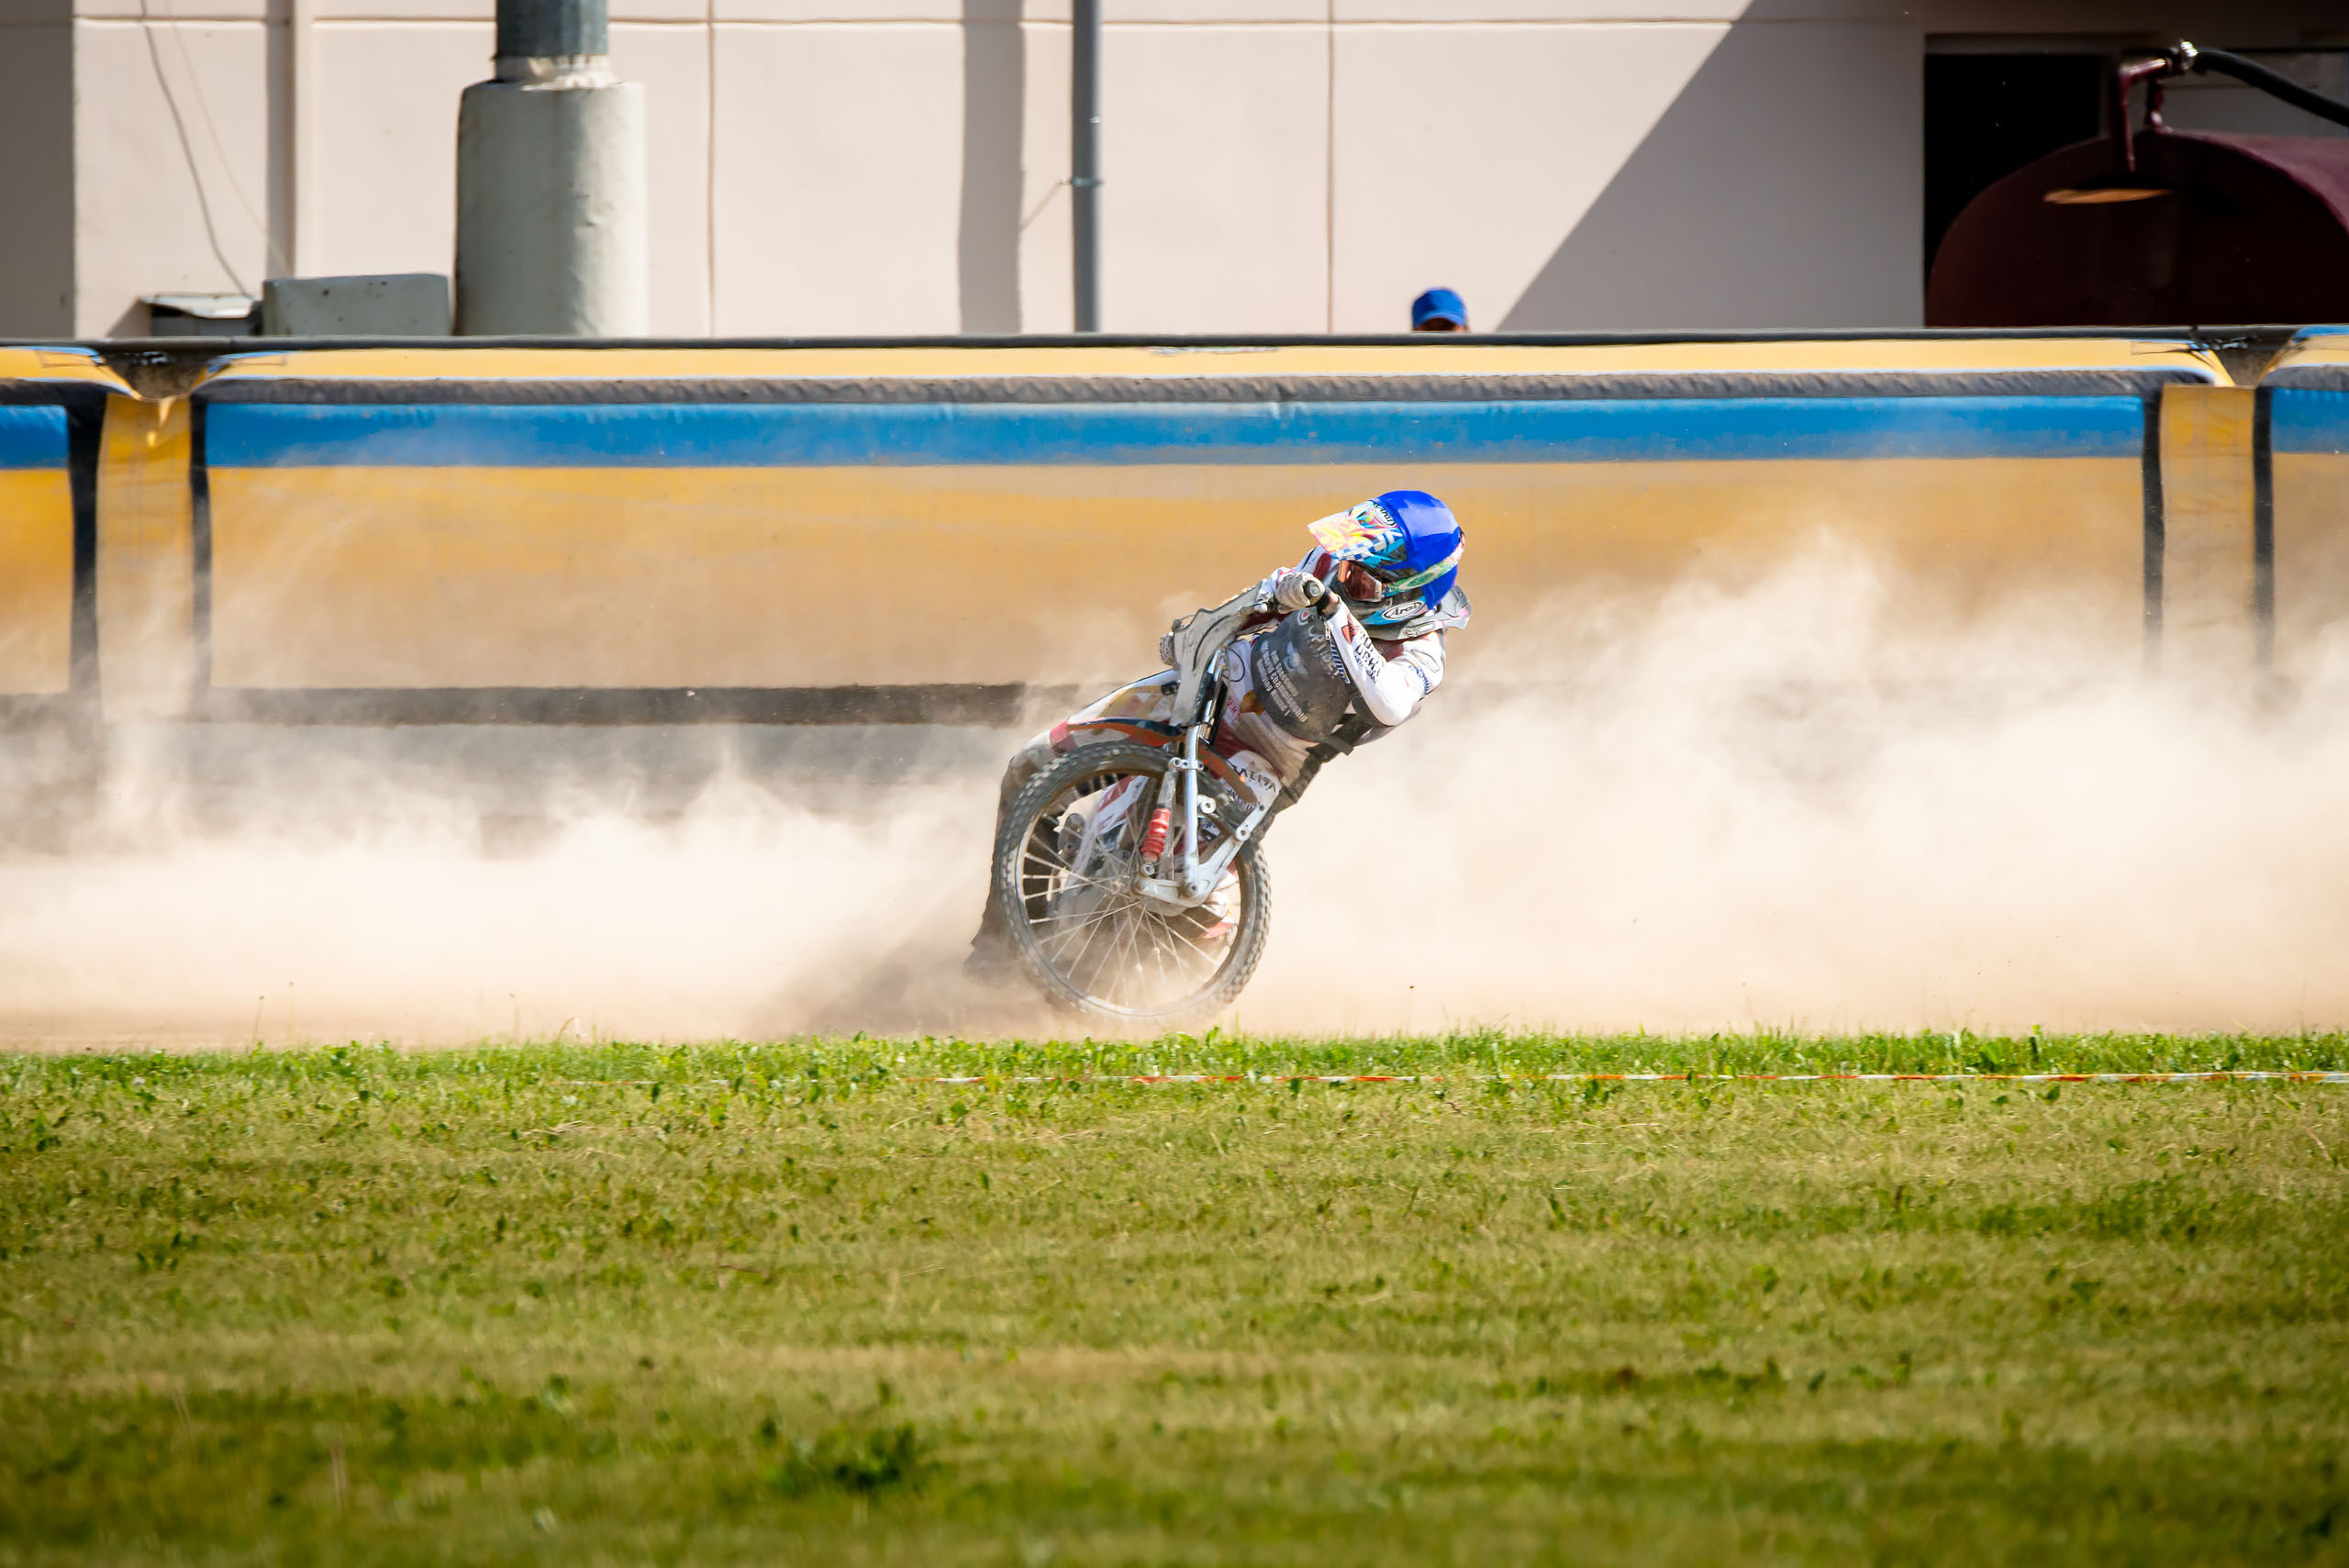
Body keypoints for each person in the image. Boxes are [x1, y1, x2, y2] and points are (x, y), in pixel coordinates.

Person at [965, 490, 1471, 981]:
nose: (1344, 579)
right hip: (1211, 689)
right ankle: (1000, 940)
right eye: (1345, 567)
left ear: (1409, 595)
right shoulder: (1330, 564)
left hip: (1269, 760)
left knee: (1192, 911)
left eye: (1362, 581)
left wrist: (1337, 616)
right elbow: (1265, 600)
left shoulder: (1422, 654)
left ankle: (1138, 984)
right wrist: (1224, 619)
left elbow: (1390, 701)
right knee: (1030, 767)